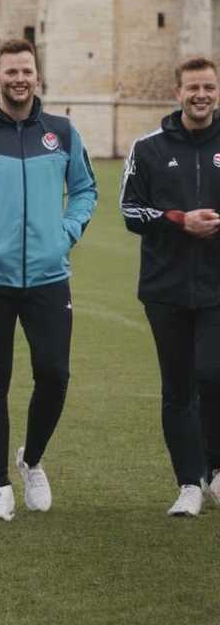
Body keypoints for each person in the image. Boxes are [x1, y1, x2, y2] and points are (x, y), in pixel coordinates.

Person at [0, 38, 97, 521]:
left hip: (49, 275)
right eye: (9, 71)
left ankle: (30, 460)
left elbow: (85, 190)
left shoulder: (62, 132)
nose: (19, 79)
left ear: (37, 76)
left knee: (54, 375)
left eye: (26, 71)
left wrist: (67, 231)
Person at [120, 56, 220, 516]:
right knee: (178, 387)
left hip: (217, 287)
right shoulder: (149, 149)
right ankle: (188, 484)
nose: (201, 95)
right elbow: (130, 211)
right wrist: (180, 220)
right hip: (166, 288)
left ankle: (216, 472)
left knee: (212, 374)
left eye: (209, 88)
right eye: (193, 88)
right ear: (177, 92)